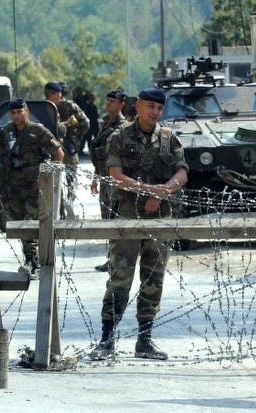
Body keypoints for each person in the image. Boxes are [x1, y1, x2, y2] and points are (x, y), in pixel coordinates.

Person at [90, 87, 188, 362]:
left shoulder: (169, 138)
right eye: (150, 107)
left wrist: (165, 191)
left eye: (159, 108)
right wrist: (149, 191)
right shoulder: (119, 137)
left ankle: (145, 340)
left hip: (160, 221)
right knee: (120, 279)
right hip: (126, 219)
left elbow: (182, 171)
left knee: (153, 281)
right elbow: (115, 173)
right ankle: (107, 339)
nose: (155, 112)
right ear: (139, 107)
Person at [0, 98, 63, 276]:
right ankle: (31, 257)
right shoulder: (8, 130)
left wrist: (45, 177)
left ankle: (33, 261)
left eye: (19, 112)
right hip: (12, 186)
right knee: (17, 223)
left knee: (32, 223)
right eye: (13, 113)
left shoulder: (38, 131)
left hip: (32, 186)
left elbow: (58, 154)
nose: (16, 116)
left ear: (26, 111)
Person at [89, 88, 127, 272]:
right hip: (104, 177)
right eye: (108, 100)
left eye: (113, 101)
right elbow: (100, 154)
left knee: (114, 217)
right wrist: (96, 178)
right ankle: (111, 257)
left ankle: (116, 258)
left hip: (115, 180)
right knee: (107, 218)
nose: (108, 103)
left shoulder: (122, 126)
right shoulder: (106, 122)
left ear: (121, 105)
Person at [44, 81, 89, 219]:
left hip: (51, 149)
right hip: (69, 148)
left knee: (53, 179)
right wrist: (77, 138)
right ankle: (69, 201)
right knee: (72, 178)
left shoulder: (44, 107)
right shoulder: (71, 106)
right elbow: (86, 123)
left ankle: (59, 207)